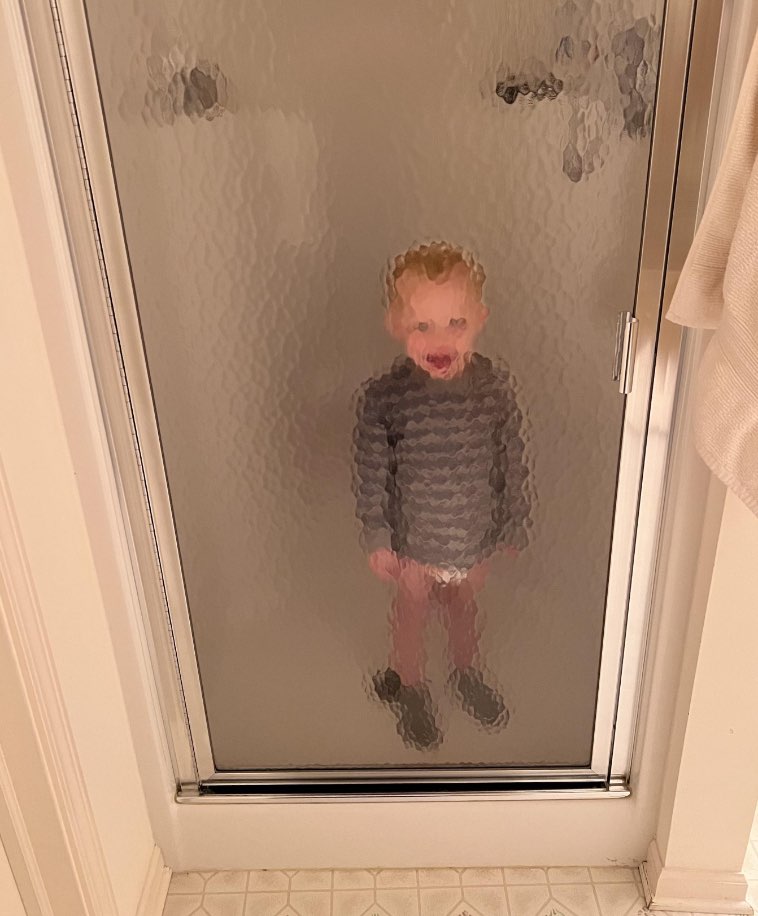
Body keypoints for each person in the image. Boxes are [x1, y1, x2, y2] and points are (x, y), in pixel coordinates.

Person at [353, 242, 532, 750]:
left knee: (463, 610)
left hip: (472, 536)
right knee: (410, 616)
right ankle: (409, 685)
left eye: (456, 323)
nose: (440, 340)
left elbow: (511, 460)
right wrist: (378, 538)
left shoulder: (493, 389)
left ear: (480, 320)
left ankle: (466, 673)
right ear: (396, 325)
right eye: (422, 326)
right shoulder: (386, 398)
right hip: (413, 541)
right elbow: (373, 472)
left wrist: (512, 523)